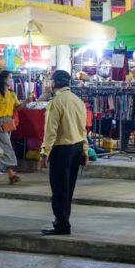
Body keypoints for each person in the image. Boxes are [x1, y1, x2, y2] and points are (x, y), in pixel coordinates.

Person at [39, 70, 88, 236]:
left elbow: (50, 131)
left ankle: (61, 223)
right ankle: (63, 221)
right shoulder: (78, 101)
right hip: (76, 148)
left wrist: (44, 153)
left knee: (59, 188)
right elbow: (83, 129)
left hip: (62, 150)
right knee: (69, 188)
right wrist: (85, 151)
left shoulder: (56, 102)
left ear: (55, 83)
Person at [0, 70, 22, 184]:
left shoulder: (11, 93)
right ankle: (11, 174)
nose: (11, 79)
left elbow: (18, 107)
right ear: (4, 79)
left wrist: (27, 101)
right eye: (10, 77)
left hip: (8, 121)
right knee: (6, 146)